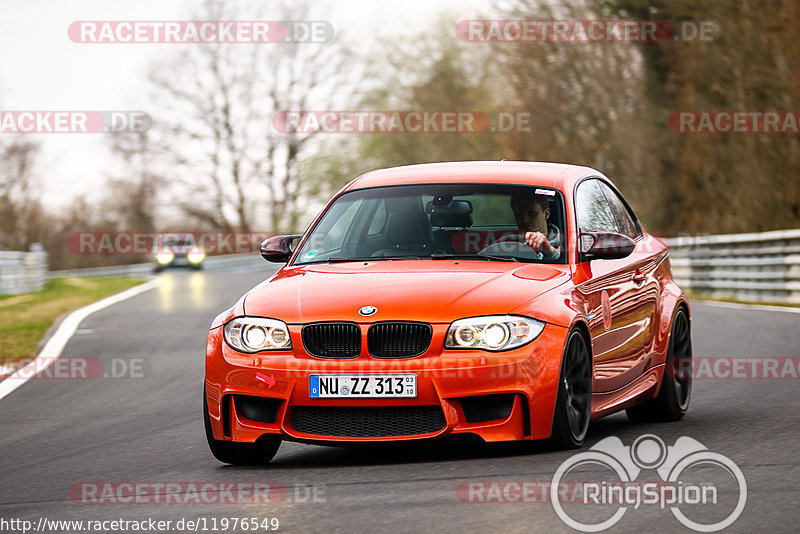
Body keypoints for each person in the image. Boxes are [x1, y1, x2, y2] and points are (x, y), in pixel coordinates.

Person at [510, 193, 561, 260]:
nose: (525, 219)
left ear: (546, 214)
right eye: (519, 215)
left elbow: (565, 260)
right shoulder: (508, 241)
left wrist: (550, 251)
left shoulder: (566, 241)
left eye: (531, 213)